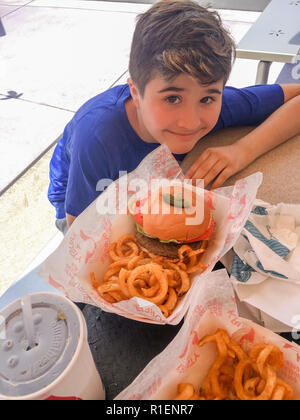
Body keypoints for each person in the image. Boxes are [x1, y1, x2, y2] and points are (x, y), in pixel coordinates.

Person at [48, 0, 300, 234]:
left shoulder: (217, 104)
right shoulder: (97, 136)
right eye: (172, 98)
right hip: (85, 204)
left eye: (207, 99)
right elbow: (78, 231)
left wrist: (243, 150)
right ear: (136, 92)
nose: (190, 121)